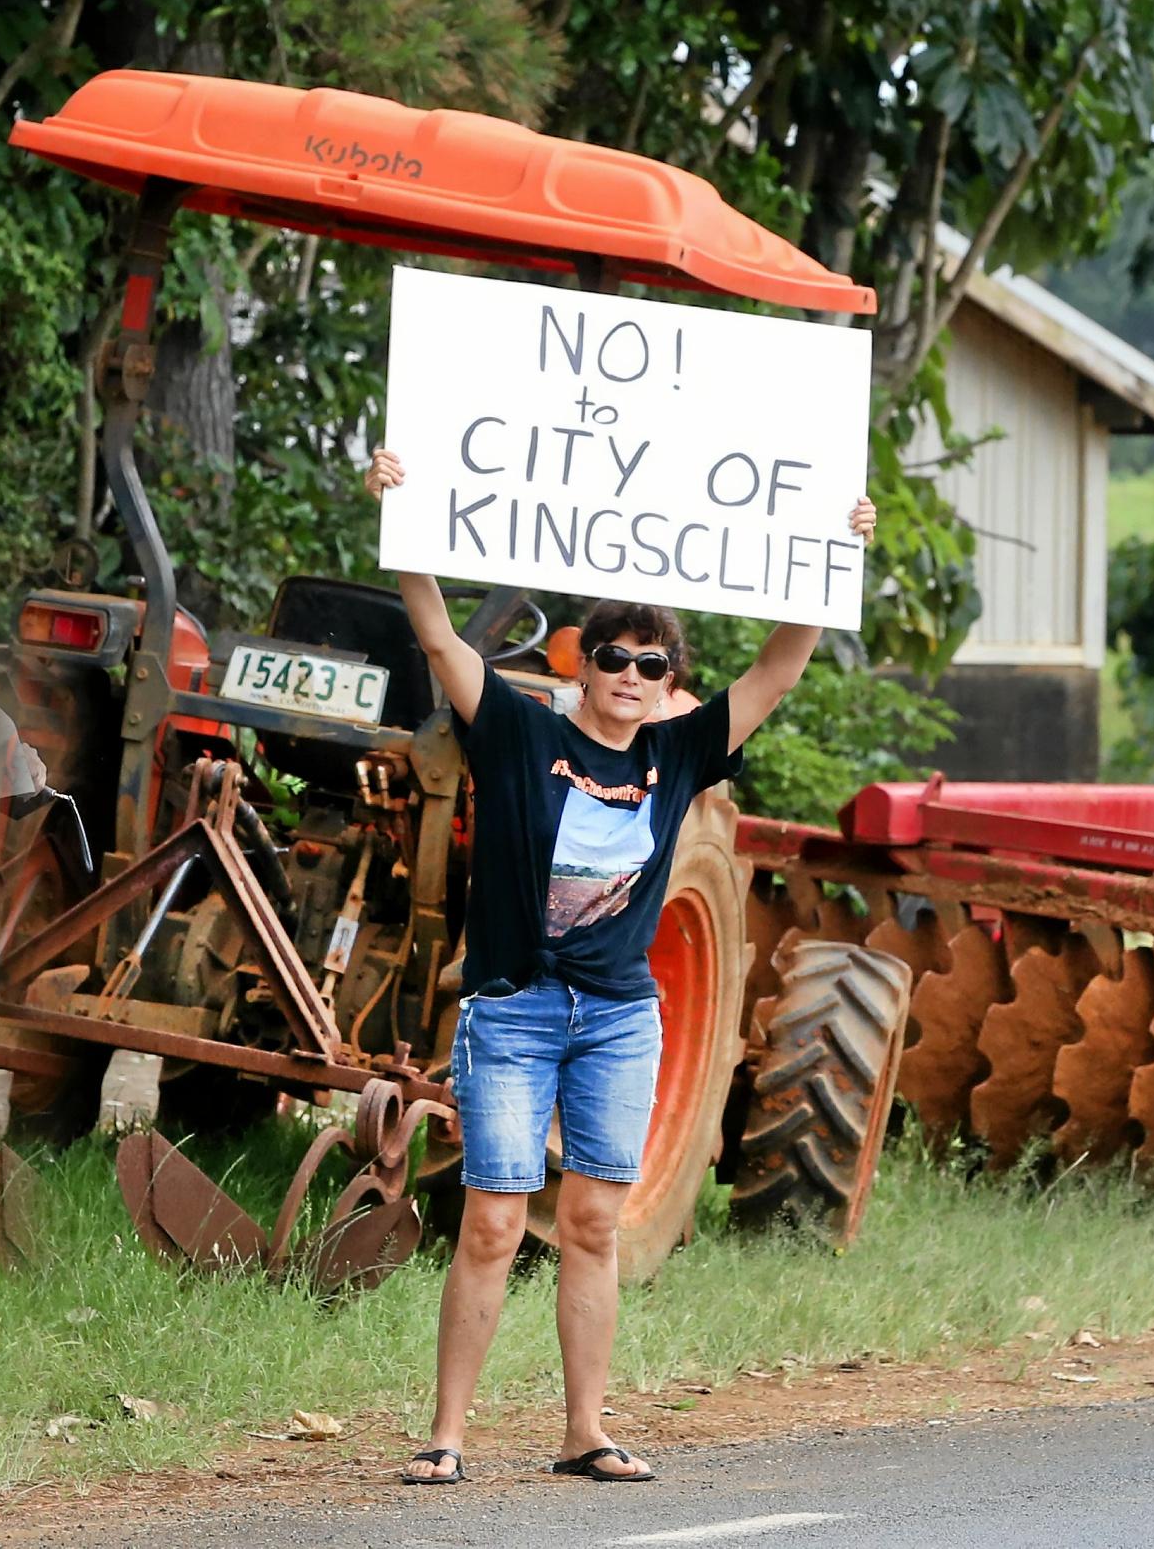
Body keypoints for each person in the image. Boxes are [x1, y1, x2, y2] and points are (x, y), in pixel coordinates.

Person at [365, 447, 876, 1485]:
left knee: (593, 1220)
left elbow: (778, 669)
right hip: (512, 1011)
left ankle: (583, 1430)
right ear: (579, 666)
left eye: (652, 664)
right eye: (615, 659)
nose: (633, 678)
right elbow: (434, 633)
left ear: (669, 682)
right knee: (495, 1220)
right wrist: (404, 519)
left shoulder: (675, 753)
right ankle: (446, 1434)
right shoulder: (514, 732)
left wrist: (833, 558)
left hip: (618, 1019)